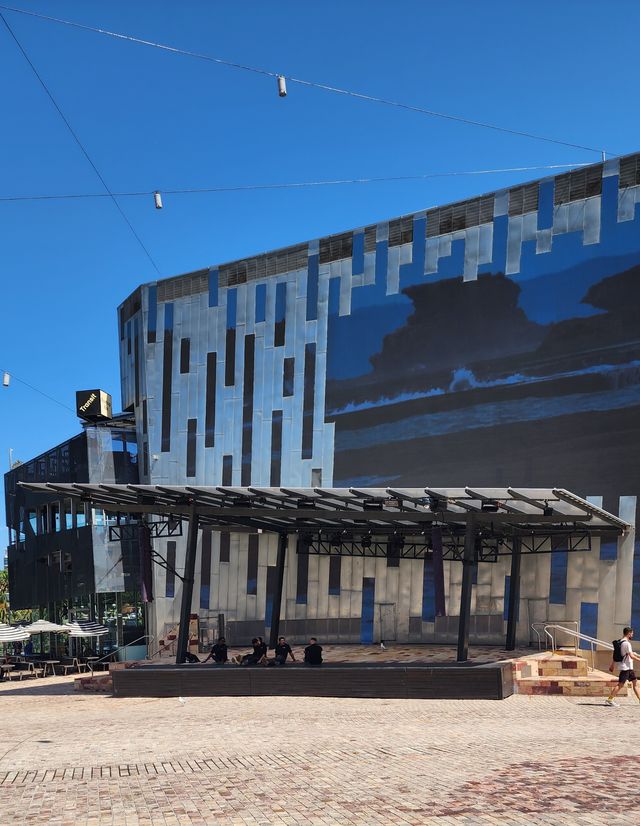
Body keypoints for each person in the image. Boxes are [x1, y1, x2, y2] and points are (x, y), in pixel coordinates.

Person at [606, 626, 640, 706]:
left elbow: (620, 654)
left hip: (629, 667)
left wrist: (612, 665)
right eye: (632, 634)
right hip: (626, 668)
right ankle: (609, 700)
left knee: (635, 683)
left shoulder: (620, 642)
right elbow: (631, 656)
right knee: (620, 685)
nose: (632, 635)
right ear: (628, 633)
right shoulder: (627, 643)